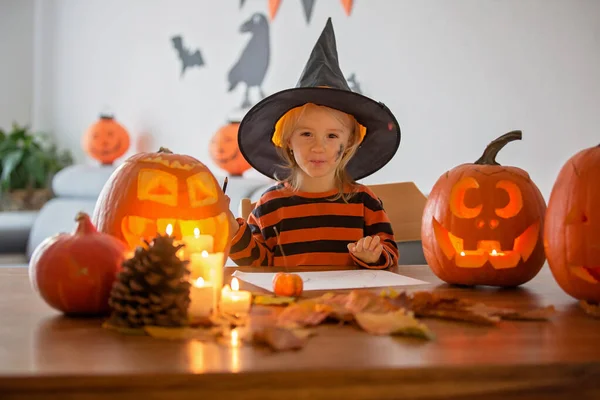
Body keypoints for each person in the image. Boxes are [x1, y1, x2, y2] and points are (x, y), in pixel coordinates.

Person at [226, 18, 402, 269]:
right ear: (288, 141)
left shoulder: (363, 201)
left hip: (349, 305)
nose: (318, 147)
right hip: (290, 303)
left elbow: (390, 253)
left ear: (349, 143)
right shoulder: (270, 205)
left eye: (332, 136)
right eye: (306, 134)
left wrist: (374, 255)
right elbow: (257, 263)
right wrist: (231, 227)